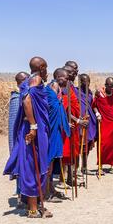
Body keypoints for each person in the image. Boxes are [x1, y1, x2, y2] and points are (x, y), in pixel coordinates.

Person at [4, 57, 52, 219]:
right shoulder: (36, 80)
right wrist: (33, 126)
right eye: (46, 68)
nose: (47, 71)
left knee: (38, 164)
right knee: (33, 166)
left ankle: (37, 205)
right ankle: (32, 209)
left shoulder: (31, 81)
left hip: (37, 130)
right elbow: (27, 100)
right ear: (42, 67)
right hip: (34, 131)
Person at [44, 69, 71, 202]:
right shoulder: (52, 87)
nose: (68, 80)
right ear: (59, 77)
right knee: (49, 160)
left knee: (54, 159)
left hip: (56, 129)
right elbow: (52, 108)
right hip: (51, 129)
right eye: (66, 78)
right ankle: (47, 192)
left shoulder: (59, 90)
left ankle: (51, 189)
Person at [8, 72, 30, 208]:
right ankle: (21, 196)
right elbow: (13, 124)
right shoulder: (17, 98)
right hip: (19, 139)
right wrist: (13, 145)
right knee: (20, 165)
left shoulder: (26, 95)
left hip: (27, 137)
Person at [93, 78, 113, 174]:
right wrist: (97, 114)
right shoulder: (99, 93)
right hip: (104, 122)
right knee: (103, 143)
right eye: (110, 85)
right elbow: (94, 106)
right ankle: (100, 167)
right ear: (105, 85)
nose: (112, 87)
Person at [77, 74, 97, 175]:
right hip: (80, 122)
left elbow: (92, 105)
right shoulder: (76, 92)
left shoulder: (89, 92)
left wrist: (97, 113)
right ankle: (75, 168)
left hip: (90, 121)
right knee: (79, 145)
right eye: (84, 81)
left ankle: (84, 167)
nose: (87, 83)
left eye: (88, 81)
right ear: (80, 82)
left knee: (87, 146)